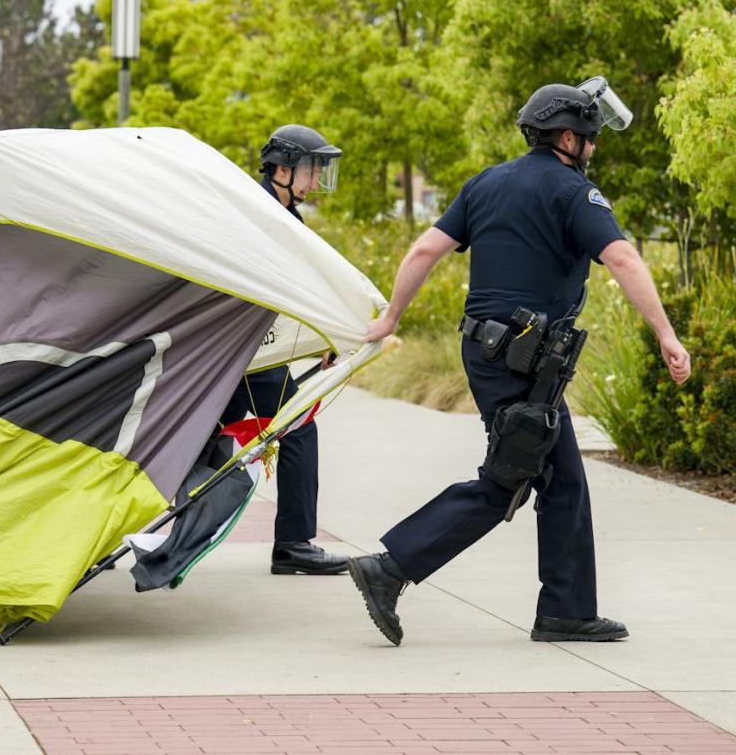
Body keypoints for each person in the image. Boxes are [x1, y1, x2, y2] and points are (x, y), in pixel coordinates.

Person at [349, 78, 692, 646]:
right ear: (567, 137)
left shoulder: (486, 182)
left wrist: (391, 319)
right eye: (591, 137)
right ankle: (391, 567)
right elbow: (624, 259)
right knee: (510, 476)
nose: (594, 147)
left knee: (560, 479)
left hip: (486, 350)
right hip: (523, 358)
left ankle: (566, 609)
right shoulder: (573, 194)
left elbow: (423, 250)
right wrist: (667, 335)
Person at [219, 124, 348, 576]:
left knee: (189, 440)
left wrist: (327, 338)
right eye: (312, 171)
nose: (316, 183)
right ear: (283, 167)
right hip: (237, 354)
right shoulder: (260, 215)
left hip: (243, 354)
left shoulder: (281, 214)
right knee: (296, 427)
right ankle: (293, 544)